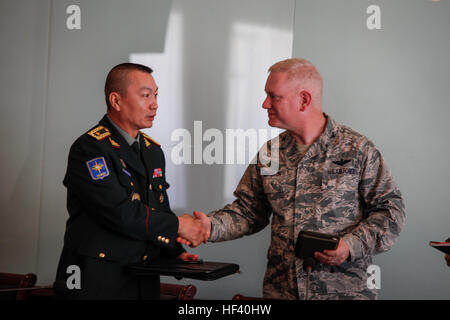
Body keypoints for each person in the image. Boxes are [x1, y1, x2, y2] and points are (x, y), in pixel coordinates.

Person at [181, 58, 406, 300]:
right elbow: (248, 213)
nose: (264, 104)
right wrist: (208, 227)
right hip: (282, 292)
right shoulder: (270, 153)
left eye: (273, 96)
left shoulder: (357, 150)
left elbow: (391, 212)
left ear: (304, 100)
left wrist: (349, 246)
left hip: (343, 293)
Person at [54, 63, 207, 300]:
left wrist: (174, 251)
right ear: (116, 101)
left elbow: (155, 209)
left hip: (142, 278)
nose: (154, 104)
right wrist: (179, 226)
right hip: (97, 279)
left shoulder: (151, 150)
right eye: (146, 95)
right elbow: (120, 212)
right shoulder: (90, 148)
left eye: (156, 95)